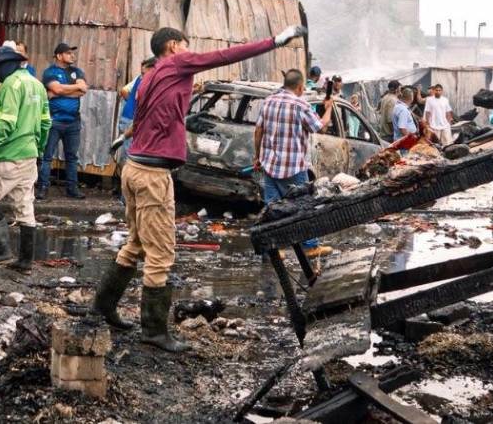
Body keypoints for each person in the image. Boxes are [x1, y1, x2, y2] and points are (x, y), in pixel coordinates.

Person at [90, 23, 305, 353]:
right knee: (161, 254)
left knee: (135, 242)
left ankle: (103, 306)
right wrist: (276, 41)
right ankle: (154, 332)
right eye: (186, 45)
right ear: (174, 46)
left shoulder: (151, 75)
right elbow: (225, 54)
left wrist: (125, 136)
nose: (190, 52)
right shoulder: (177, 63)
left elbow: (145, 115)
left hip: (134, 170)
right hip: (151, 175)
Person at [0, 45, 51, 273]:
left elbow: (6, 124)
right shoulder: (37, 84)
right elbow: (46, 123)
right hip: (29, 154)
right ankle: (25, 262)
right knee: (24, 204)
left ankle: (1, 250)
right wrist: (39, 148)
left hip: (7, 155)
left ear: (5, 66)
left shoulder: (10, 86)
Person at [253, 69, 334, 260]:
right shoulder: (300, 104)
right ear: (300, 87)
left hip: (270, 165)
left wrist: (257, 157)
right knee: (304, 207)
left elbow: (258, 131)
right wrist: (329, 107)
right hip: (294, 167)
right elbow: (321, 126)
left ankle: (271, 249)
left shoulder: (269, 101)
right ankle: (310, 246)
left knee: (271, 208)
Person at [38, 42, 89, 201]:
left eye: (72, 53)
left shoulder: (77, 71)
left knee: (72, 157)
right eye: (68, 53)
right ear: (59, 56)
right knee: (47, 156)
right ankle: (42, 188)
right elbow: (60, 88)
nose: (72, 56)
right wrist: (72, 89)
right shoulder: (50, 72)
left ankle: (72, 189)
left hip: (73, 122)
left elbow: (83, 90)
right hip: (54, 120)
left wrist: (58, 92)